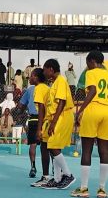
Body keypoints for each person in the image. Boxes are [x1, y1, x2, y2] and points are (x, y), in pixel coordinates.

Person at [71, 51, 108, 198]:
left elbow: (92, 90)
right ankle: (102, 189)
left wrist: (80, 110)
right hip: (107, 110)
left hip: (93, 110)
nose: (87, 66)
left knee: (86, 150)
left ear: (92, 61)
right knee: (104, 151)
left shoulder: (91, 72)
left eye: (87, 63)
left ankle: (84, 188)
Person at [41, 59, 76, 189]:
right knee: (53, 147)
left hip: (62, 116)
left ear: (51, 69)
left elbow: (61, 102)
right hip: (56, 117)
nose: (44, 72)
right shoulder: (55, 83)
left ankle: (68, 174)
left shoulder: (60, 80)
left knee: (53, 146)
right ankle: (57, 178)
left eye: (45, 70)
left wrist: (53, 123)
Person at [29, 68, 51, 187]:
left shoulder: (38, 88)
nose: (30, 78)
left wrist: (39, 129)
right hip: (50, 119)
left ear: (36, 77)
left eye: (31, 76)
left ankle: (47, 177)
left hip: (47, 120)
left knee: (46, 148)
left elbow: (41, 109)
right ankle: (56, 175)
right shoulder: (46, 88)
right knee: (50, 148)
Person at [16, 80, 39, 178]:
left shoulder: (30, 89)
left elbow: (21, 105)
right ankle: (54, 170)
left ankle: (33, 167)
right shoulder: (48, 88)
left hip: (34, 119)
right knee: (48, 146)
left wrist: (20, 111)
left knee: (33, 145)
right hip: (46, 119)